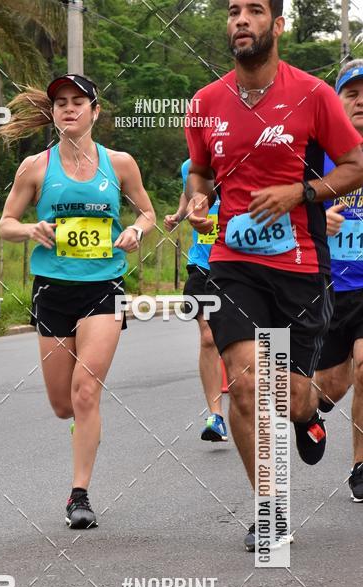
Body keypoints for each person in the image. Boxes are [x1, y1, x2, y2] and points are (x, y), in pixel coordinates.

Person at [184, 0, 363, 551]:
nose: (241, 19)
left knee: (297, 396)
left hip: (303, 267)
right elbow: (200, 171)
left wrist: (300, 192)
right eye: (234, 10)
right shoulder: (205, 102)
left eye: (255, 10)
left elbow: (357, 165)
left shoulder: (313, 95)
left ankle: (310, 419)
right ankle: (269, 508)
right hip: (234, 264)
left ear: (277, 25)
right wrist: (196, 199)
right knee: (245, 383)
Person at [0, 74, 156, 528]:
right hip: (52, 289)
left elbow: (145, 212)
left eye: (78, 102)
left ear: (95, 112)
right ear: (52, 113)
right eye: (61, 103)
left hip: (103, 286)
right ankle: (78, 422)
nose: (69, 109)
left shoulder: (120, 163)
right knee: (64, 403)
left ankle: (79, 495)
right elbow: (5, 222)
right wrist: (30, 229)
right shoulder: (35, 167)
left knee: (86, 390)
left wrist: (135, 231)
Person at [313, 60, 363, 503]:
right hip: (328, 287)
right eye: (353, 92)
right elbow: (286, 201)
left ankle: (361, 464)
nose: (362, 100)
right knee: (333, 385)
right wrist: (316, 216)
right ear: (337, 101)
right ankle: (313, 412)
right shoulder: (315, 151)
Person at [164, 160, 228, 442]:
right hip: (202, 264)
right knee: (207, 337)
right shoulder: (189, 166)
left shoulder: (243, 154)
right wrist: (180, 215)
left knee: (245, 342)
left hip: (240, 264)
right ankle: (216, 416)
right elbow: (188, 191)